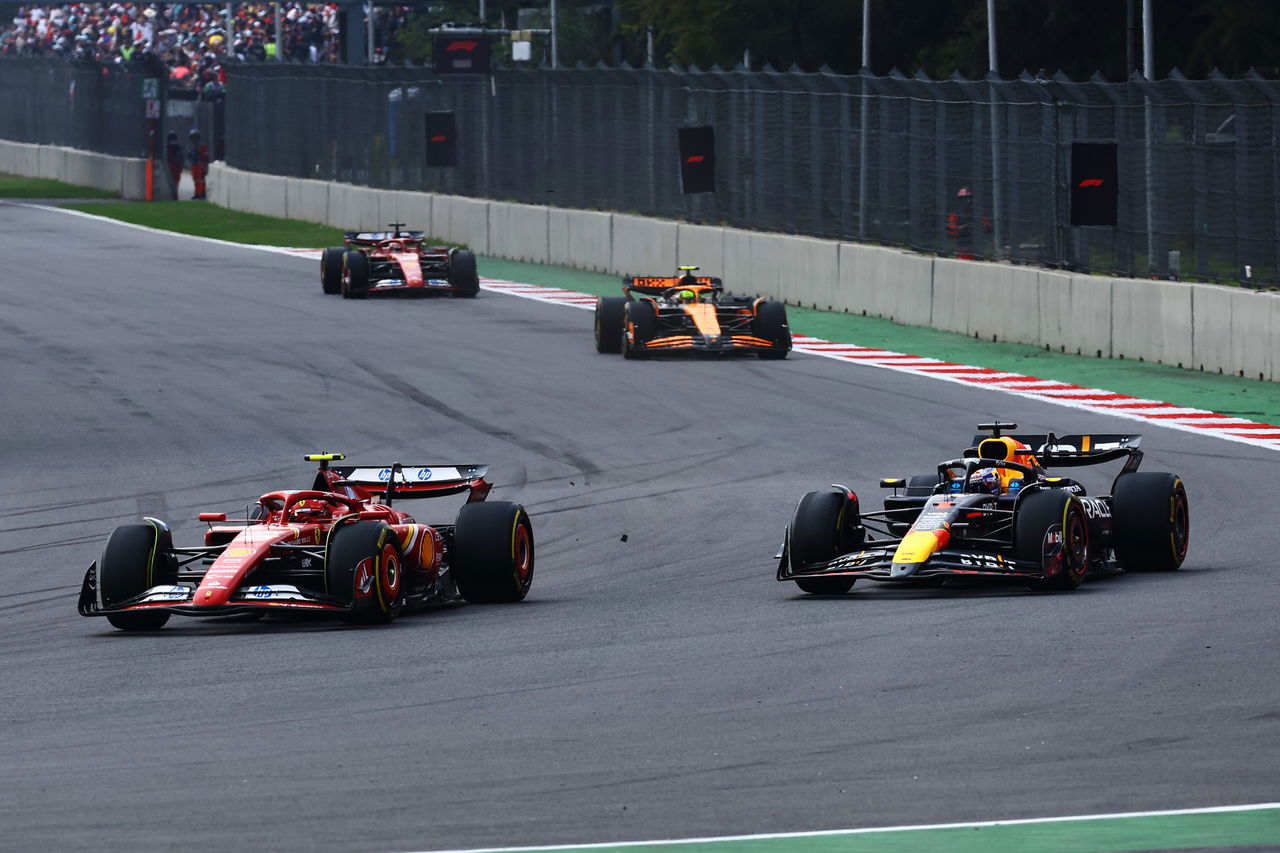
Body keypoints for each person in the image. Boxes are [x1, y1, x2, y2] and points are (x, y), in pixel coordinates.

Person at [187, 127, 209, 200]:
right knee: (195, 180)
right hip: (194, 165)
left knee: (200, 180)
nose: (194, 139)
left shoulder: (202, 145)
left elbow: (206, 156)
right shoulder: (190, 146)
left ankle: (201, 193)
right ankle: (197, 193)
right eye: (193, 137)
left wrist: (200, 154)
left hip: (200, 164)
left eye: (195, 137)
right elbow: (189, 155)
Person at [164, 131, 183, 199]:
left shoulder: (168, 146)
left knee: (171, 180)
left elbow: (168, 156)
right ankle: (175, 194)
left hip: (172, 165)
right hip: (178, 166)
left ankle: (173, 194)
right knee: (176, 181)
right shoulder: (178, 147)